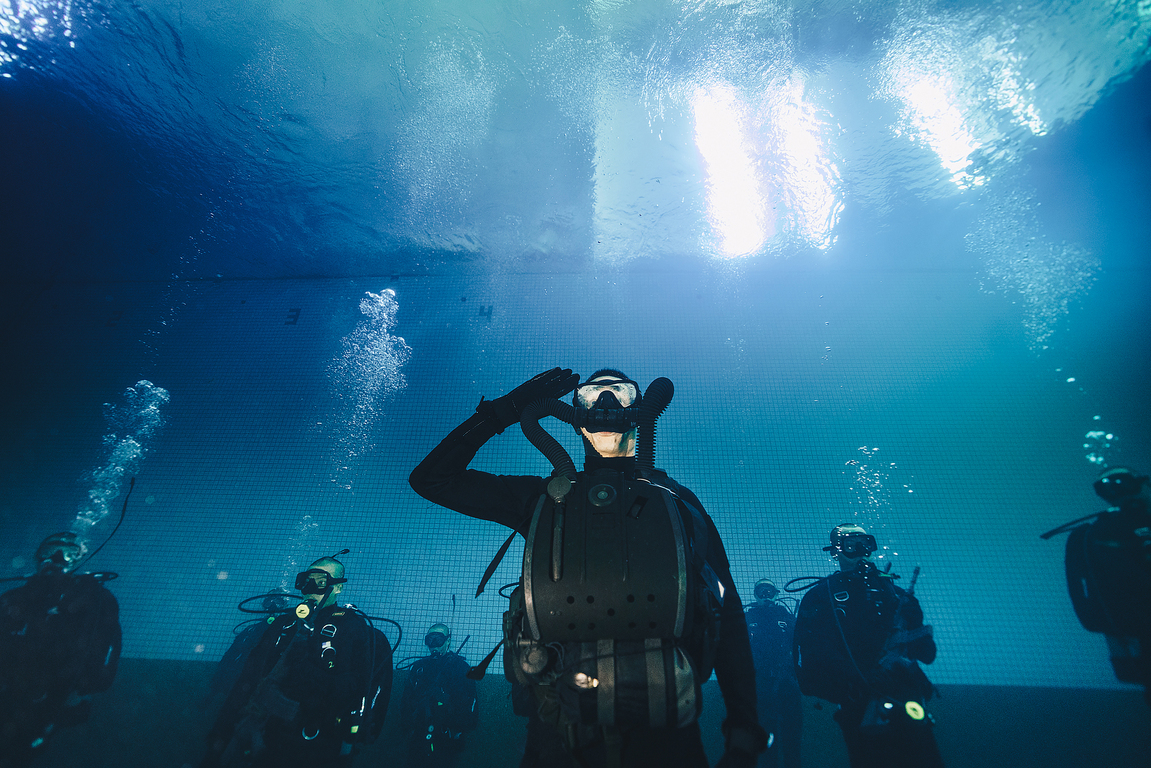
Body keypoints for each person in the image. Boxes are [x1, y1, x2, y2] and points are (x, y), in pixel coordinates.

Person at [409, 368, 766, 768]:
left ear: (641, 410)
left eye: (621, 394)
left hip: (666, 734)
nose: (607, 404)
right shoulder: (544, 499)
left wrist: (744, 730)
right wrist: (503, 412)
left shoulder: (677, 503)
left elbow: (727, 613)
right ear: (573, 417)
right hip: (559, 731)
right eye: (593, 396)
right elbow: (431, 480)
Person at [200, 556, 393, 768]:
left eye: (321, 580)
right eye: (306, 579)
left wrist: (307, 670)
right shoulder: (284, 625)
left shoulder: (352, 628)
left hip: (316, 744)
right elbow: (248, 679)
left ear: (337, 587)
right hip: (264, 738)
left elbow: (352, 691)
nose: (311, 586)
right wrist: (220, 734)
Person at [792, 524, 943, 768]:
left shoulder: (897, 595)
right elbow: (814, 652)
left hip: (907, 696)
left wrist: (914, 624)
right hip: (858, 700)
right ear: (835, 552)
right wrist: (861, 678)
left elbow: (927, 654)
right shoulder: (822, 596)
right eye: (850, 546)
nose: (860, 552)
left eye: (865, 545)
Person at [0, 532, 122, 768]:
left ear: (78, 562)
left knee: (19, 749)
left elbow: (108, 645)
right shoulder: (16, 598)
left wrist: (85, 687)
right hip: (11, 689)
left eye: (67, 555)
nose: (56, 560)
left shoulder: (95, 600)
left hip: (53, 695)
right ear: (37, 559)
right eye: (48, 554)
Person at [1051, 466, 1151, 704]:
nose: (1120, 493)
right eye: (1109, 487)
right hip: (1134, 626)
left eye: (1124, 483)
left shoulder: (1092, 534)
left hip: (1129, 626)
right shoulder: (1094, 534)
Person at [399, 623, 479, 767]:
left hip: (446, 737)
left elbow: (470, 704)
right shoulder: (419, 667)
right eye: (430, 639)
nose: (433, 644)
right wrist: (408, 726)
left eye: (438, 639)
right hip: (418, 735)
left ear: (448, 641)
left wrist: (458, 727)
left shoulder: (460, 668)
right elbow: (406, 699)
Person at [745, 580, 801, 768]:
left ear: (776, 594)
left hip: (786, 680)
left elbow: (798, 643)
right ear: (755, 595)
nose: (766, 595)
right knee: (765, 730)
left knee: (791, 731)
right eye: (761, 592)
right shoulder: (748, 617)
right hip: (759, 682)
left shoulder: (786, 615)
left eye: (769, 591)